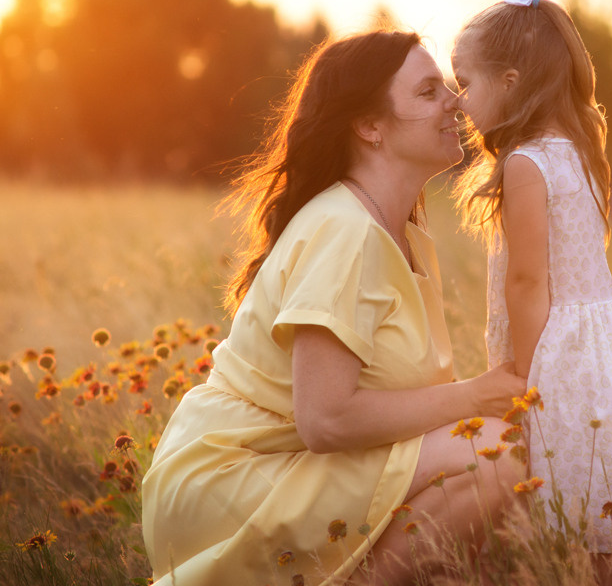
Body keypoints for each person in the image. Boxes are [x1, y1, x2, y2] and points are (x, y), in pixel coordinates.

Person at [142, 30, 527, 586]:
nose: (455, 101)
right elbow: (325, 419)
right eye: (428, 92)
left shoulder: (400, 233)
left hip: (297, 467)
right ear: (370, 127)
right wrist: (473, 397)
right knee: (496, 453)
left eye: (446, 86)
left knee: (497, 466)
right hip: (234, 478)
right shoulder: (345, 230)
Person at [450, 0, 612, 566]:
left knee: (558, 499)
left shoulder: (526, 162)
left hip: (558, 356)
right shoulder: (581, 148)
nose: (459, 101)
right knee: (610, 505)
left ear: (510, 82)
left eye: (466, 82)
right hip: (608, 344)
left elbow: (527, 281)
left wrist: (525, 376)